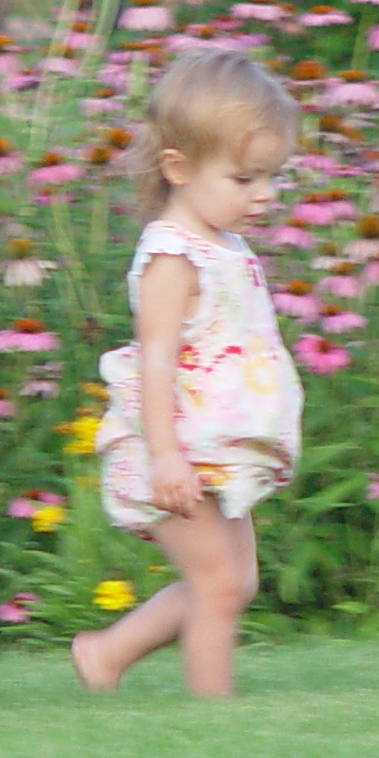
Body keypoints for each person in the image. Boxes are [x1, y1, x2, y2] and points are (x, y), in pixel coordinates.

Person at [72, 52, 303, 698]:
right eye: (245, 178)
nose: (264, 194)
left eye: (271, 176)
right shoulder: (172, 256)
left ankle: (107, 653)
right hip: (175, 450)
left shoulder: (223, 243)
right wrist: (166, 457)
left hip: (215, 448)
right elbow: (154, 361)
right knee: (217, 585)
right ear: (178, 168)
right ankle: (213, 716)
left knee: (238, 583)